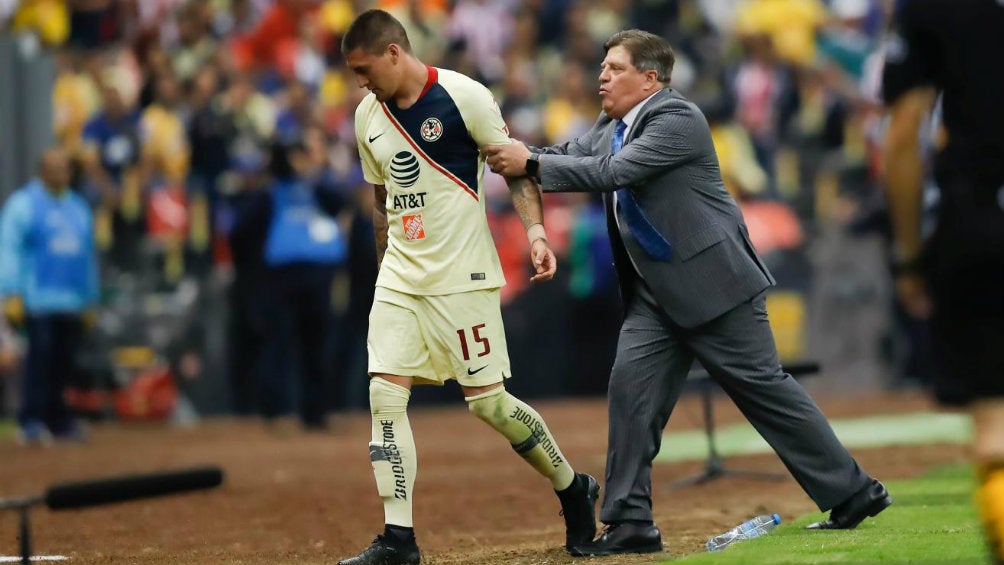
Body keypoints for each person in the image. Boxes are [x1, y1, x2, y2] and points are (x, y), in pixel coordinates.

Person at [484, 29, 889, 556]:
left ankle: (854, 492)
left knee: (766, 392)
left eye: (615, 68)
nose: (601, 77)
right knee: (630, 395)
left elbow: (613, 172)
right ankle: (631, 522)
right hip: (655, 294)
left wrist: (532, 164)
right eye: (602, 67)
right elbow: (564, 156)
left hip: (715, 285)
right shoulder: (611, 126)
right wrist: (512, 152)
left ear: (650, 78)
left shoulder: (677, 117)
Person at [338, 9, 598, 565]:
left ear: (393, 53)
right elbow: (381, 201)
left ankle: (573, 487)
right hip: (401, 278)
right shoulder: (366, 116)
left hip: (464, 278)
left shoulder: (465, 96)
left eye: (364, 70)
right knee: (385, 396)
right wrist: (385, 269)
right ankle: (399, 539)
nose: (360, 83)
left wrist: (535, 234)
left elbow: (515, 168)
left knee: (489, 406)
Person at [881, 2, 1004, 563]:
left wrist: (909, 257)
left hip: (980, 221)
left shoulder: (932, 7)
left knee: (995, 425)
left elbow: (903, 135)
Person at [230, 140, 345, 430]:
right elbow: (241, 233)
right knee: (279, 344)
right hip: (281, 279)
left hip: (313, 276)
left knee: (314, 344)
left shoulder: (312, 189)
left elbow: (339, 203)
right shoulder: (270, 194)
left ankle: (314, 412)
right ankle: (277, 410)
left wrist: (316, 174)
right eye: (299, 156)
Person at [0, 147, 99, 445]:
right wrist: (11, 292)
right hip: (38, 299)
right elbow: (9, 249)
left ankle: (59, 420)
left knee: (63, 363)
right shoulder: (23, 205)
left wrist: (90, 298)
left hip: (71, 302)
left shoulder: (78, 208)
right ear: (42, 171)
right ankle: (31, 420)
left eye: (65, 168)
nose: (61, 173)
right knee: (39, 362)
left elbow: (87, 255)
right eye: (55, 168)